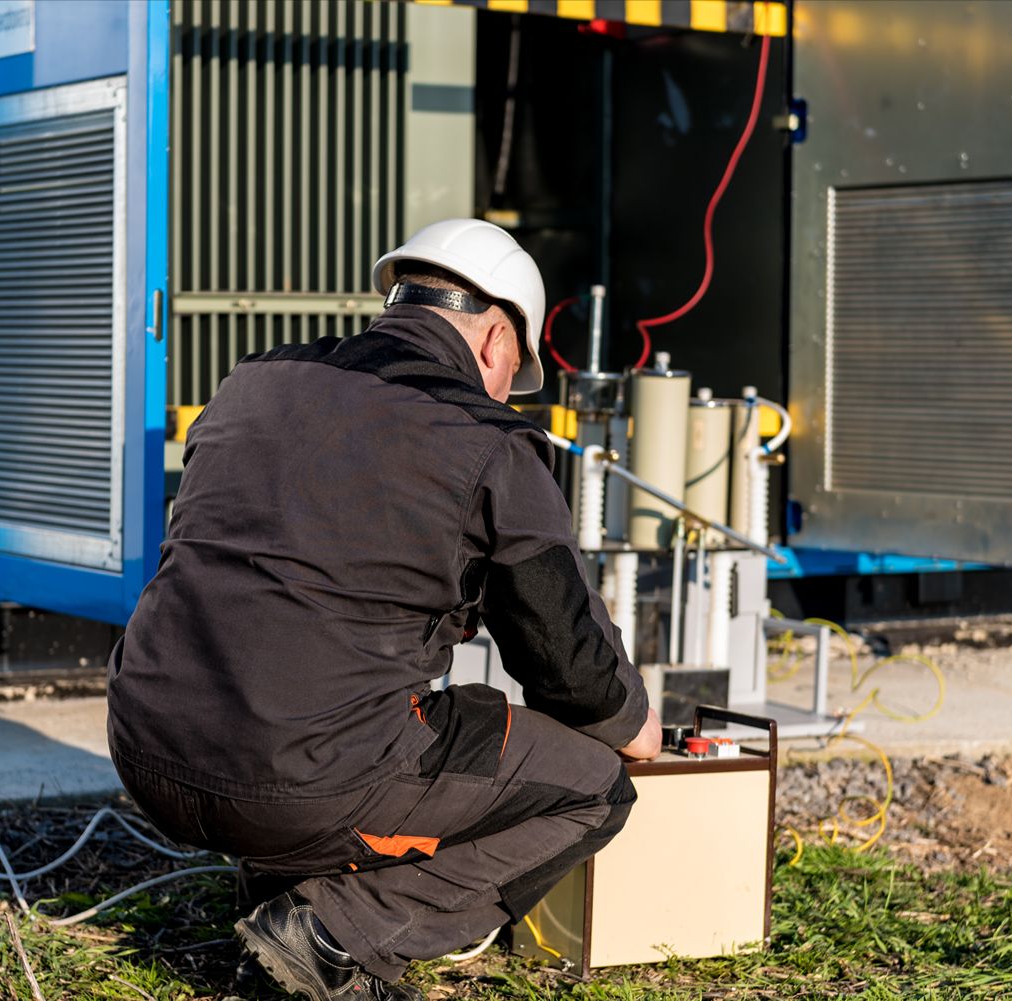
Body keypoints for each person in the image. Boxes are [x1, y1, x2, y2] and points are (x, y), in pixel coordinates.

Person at [106, 218, 661, 1000]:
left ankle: (283, 889)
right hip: (299, 780)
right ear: (498, 341)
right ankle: (336, 933)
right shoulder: (489, 439)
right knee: (593, 785)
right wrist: (635, 718)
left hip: (145, 748)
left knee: (336, 687)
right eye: (512, 372)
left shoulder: (253, 380)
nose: (505, 389)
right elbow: (566, 661)